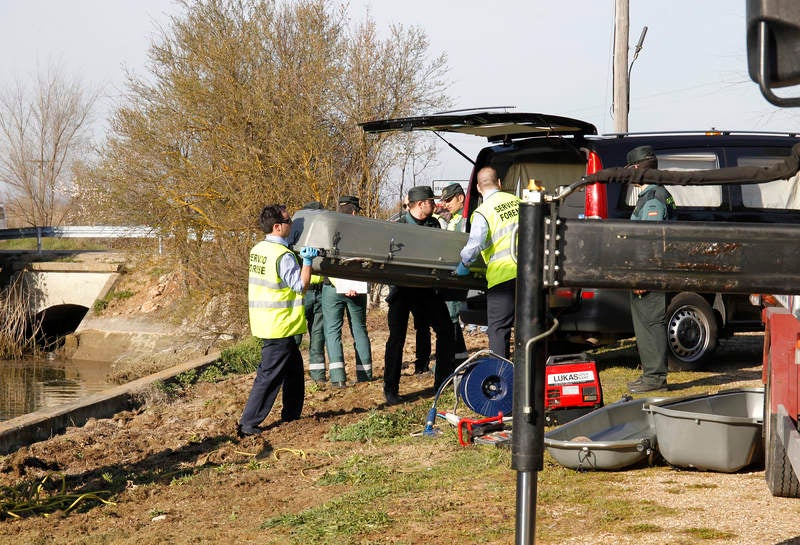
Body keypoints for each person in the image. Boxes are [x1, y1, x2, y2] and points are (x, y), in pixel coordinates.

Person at [237, 204, 317, 437]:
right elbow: (300, 286)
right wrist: (308, 262)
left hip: (267, 321)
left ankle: (292, 414)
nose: (292, 224)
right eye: (289, 220)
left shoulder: (258, 249)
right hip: (279, 324)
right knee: (269, 376)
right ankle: (248, 423)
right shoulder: (282, 256)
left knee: (294, 371)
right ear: (277, 227)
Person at [384, 186, 456, 405]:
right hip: (403, 289)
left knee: (445, 329)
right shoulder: (398, 226)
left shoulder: (434, 224)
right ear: (420, 204)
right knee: (397, 339)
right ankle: (391, 389)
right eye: (431, 202)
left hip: (427, 289)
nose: (434, 205)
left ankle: (442, 381)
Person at [625, 146, 677, 393]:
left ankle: (655, 378)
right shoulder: (656, 194)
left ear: (637, 169)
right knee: (646, 323)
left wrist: (642, 275)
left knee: (651, 323)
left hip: (651, 272)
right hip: (653, 271)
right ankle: (650, 374)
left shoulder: (653, 198)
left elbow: (651, 240)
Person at [455, 167, 520, 359]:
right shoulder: (519, 202)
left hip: (503, 277)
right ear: (499, 183)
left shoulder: (483, 212)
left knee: (499, 329)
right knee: (531, 326)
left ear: (478, 187)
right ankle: (536, 370)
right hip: (531, 274)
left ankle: (501, 374)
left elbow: (475, 244)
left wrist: (463, 265)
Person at [321, 196, 373, 385]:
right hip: (356, 287)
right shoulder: (363, 231)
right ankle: (365, 375)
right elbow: (367, 260)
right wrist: (351, 285)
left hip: (331, 287)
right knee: (359, 329)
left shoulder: (329, 228)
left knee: (332, 331)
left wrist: (341, 284)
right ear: (353, 211)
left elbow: (326, 260)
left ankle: (337, 379)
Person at [296, 201, 328, 384]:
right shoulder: (297, 237)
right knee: (296, 337)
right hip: (303, 293)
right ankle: (292, 376)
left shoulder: (322, 236)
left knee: (318, 336)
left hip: (320, 290)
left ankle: (318, 376)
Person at [439, 182, 469, 360]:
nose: (446, 204)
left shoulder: (465, 219)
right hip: (453, 273)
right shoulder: (455, 218)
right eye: (445, 200)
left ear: (461, 198)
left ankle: (454, 359)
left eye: (449, 200)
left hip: (460, 274)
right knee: (451, 317)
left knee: (452, 316)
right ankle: (459, 356)